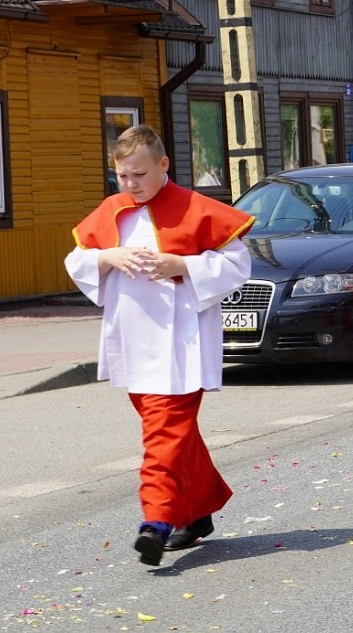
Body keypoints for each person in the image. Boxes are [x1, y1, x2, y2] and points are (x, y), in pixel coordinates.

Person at [64, 125, 254, 567]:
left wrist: (182, 265)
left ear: (163, 164)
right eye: (123, 176)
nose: (130, 185)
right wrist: (107, 257)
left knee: (163, 434)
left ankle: (157, 521)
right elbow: (77, 259)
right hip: (131, 340)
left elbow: (237, 263)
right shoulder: (113, 209)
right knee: (174, 436)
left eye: (139, 175)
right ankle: (200, 509)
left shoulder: (195, 207)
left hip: (181, 343)